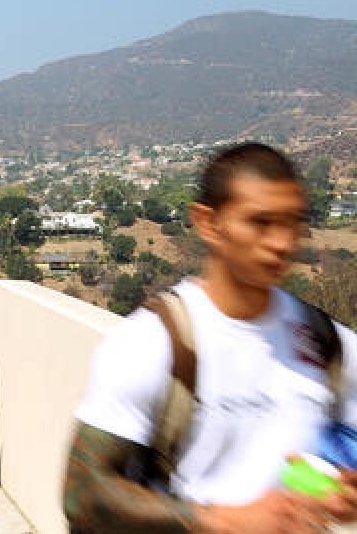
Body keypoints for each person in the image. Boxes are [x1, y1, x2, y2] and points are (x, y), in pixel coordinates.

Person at [63, 142, 357, 533]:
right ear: (208, 223)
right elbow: (82, 495)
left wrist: (345, 491)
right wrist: (220, 521)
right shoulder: (153, 344)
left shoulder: (329, 343)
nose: (281, 243)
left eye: (291, 223)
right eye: (260, 222)